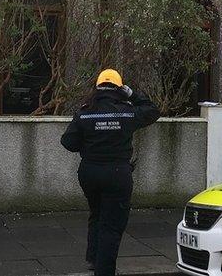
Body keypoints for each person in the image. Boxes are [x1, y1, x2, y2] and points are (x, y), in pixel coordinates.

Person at [60, 69, 160, 276]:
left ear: (97, 88)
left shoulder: (85, 112)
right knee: (112, 225)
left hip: (89, 173)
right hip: (117, 174)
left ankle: (94, 258)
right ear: (119, 89)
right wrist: (132, 94)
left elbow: (68, 142)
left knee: (97, 213)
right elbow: (152, 110)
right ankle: (104, 271)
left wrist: (89, 145)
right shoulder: (128, 112)